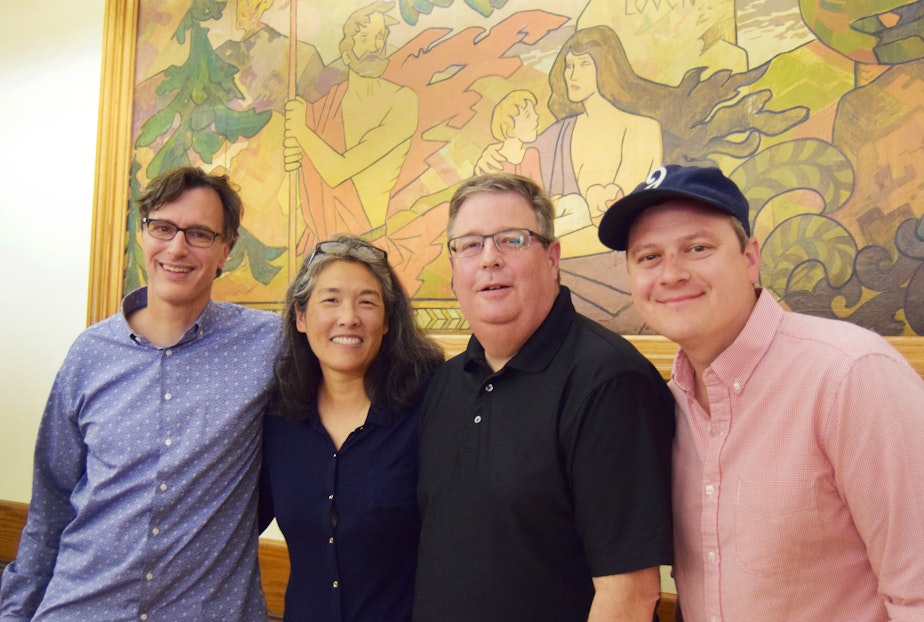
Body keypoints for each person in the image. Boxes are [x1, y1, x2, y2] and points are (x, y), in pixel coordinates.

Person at [598, 164, 924, 621]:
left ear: (750, 258)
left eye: (697, 248)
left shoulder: (850, 377)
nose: (671, 274)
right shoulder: (666, 404)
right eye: (648, 257)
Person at [0, 167, 282, 620]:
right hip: (82, 605)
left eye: (199, 234)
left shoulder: (268, 345)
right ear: (142, 235)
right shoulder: (89, 354)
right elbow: (51, 503)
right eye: (163, 228)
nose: (176, 248)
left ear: (225, 251)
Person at [414, 173, 675, 621]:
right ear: (454, 266)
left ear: (552, 258)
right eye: (470, 244)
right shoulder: (446, 382)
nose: (489, 259)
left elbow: (630, 596)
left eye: (512, 240)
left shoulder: (609, 381)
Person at [260, 234, 444, 621]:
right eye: (330, 300)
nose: (349, 317)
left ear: (388, 320)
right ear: (301, 316)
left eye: (366, 301)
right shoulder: (277, 418)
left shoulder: (431, 408)